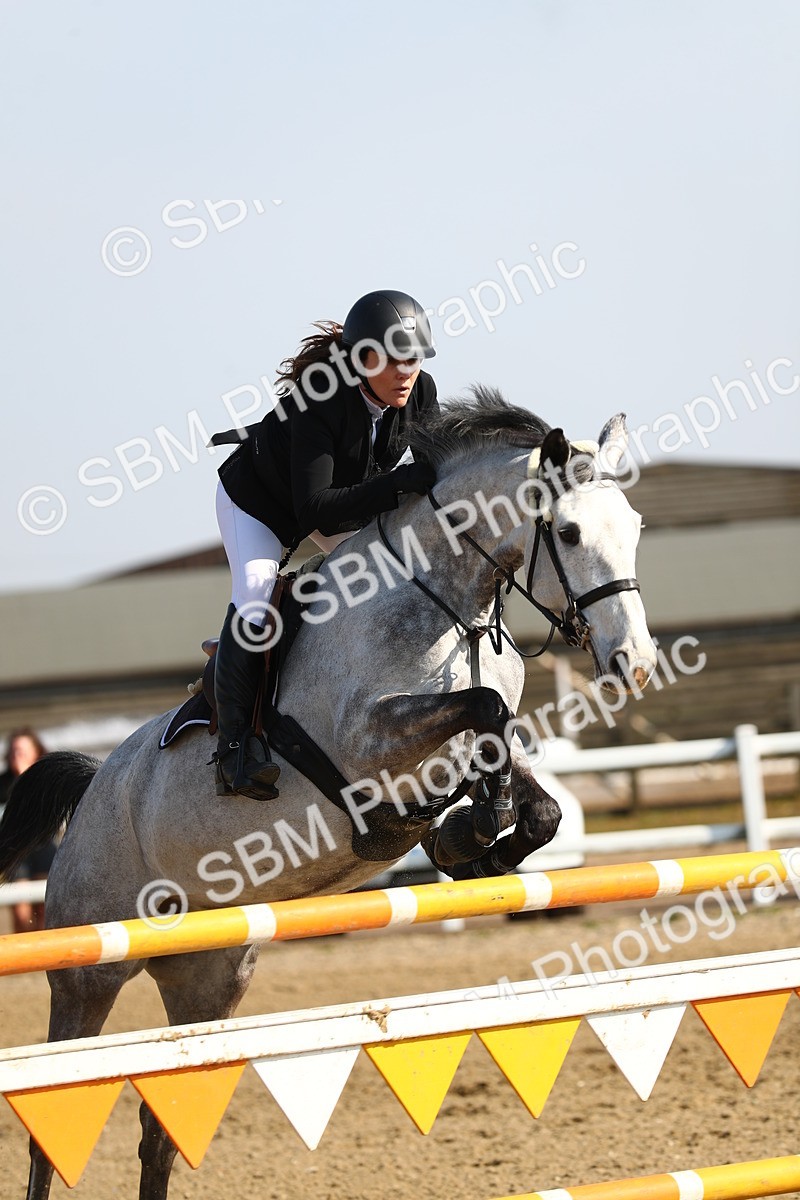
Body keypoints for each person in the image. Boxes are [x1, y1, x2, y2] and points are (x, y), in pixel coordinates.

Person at [212, 289, 439, 801]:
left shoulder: (420, 394)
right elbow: (313, 508)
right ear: (363, 359)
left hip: (338, 502)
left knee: (392, 574)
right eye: (396, 359)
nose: (408, 371)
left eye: (416, 357)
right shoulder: (321, 398)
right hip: (259, 507)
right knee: (255, 598)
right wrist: (399, 484)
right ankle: (234, 751)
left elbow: (435, 473)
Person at [0, 728, 54, 933]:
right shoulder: (2, 784)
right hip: (15, 853)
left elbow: (49, 818)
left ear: (35, 753)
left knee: (45, 909)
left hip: (43, 847)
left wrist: (26, 776)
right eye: (13, 751)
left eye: (22, 751)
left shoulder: (45, 779)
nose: (16, 756)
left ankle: (44, 957)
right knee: (21, 912)